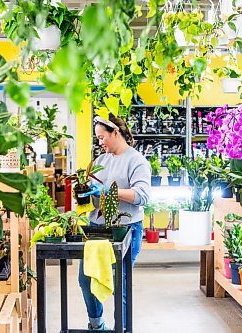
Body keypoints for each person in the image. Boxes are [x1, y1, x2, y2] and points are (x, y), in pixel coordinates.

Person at [78, 113, 151, 330]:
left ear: (116, 133)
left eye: (102, 137)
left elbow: (143, 195)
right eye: (97, 139)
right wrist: (83, 192)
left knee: (120, 283)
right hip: (97, 228)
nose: (100, 143)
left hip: (126, 229)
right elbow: (92, 195)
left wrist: (110, 191)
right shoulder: (100, 161)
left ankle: (123, 328)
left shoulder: (136, 161)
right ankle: (96, 324)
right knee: (86, 279)